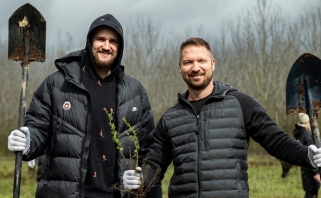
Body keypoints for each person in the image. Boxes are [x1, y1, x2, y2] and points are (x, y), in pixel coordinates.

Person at [122, 37, 321, 198]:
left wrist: (307, 156)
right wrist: (140, 179)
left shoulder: (241, 104)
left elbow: (276, 141)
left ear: (213, 64)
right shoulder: (170, 118)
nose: (195, 67)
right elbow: (155, 166)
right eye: (188, 62)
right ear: (180, 67)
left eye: (201, 61)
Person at [7, 14, 161, 198]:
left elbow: (149, 151)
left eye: (113, 41)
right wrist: (27, 141)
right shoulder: (56, 84)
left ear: (119, 47)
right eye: (100, 39)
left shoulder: (136, 92)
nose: (106, 46)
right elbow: (38, 128)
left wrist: (140, 176)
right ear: (89, 42)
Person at [294, 113, 321, 198]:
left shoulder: (299, 133)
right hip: (311, 170)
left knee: (309, 192)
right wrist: (316, 173)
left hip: (305, 169)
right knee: (312, 194)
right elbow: (313, 155)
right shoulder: (308, 135)